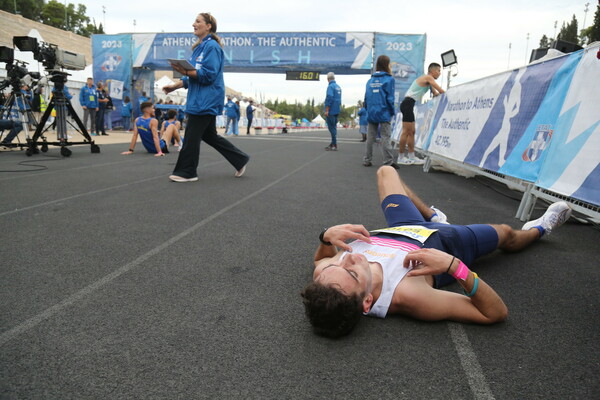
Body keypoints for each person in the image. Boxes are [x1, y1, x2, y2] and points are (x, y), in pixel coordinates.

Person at [301, 165, 572, 338]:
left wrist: (325, 238)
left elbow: (322, 260)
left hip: (401, 226)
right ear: (367, 302)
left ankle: (431, 215)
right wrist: (456, 267)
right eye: (352, 271)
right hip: (447, 241)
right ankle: (540, 229)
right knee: (507, 234)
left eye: (336, 265)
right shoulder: (410, 296)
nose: (347, 256)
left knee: (386, 171)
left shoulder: (326, 276)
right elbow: (495, 313)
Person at [164, 12, 250, 182]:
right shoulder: (199, 48)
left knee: (191, 136)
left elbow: (208, 74)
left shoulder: (212, 47)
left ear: (208, 26)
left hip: (206, 100)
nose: (193, 24)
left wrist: (186, 71)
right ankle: (240, 159)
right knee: (209, 135)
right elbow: (193, 75)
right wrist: (174, 85)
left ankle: (187, 172)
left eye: (198, 21)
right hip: (199, 98)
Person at [398, 63, 445, 165]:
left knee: (412, 131)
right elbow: (441, 91)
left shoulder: (428, 81)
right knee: (406, 131)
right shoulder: (428, 77)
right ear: (432, 71)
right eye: (438, 71)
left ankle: (411, 156)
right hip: (407, 103)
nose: (439, 73)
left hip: (409, 104)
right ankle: (400, 157)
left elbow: (436, 93)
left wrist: (437, 95)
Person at [362, 55, 397, 168]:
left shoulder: (369, 80)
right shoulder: (389, 79)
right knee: (385, 137)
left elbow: (366, 98)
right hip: (384, 112)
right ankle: (388, 161)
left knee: (370, 137)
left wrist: (368, 109)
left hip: (372, 112)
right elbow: (390, 98)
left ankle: (367, 160)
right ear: (387, 65)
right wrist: (392, 112)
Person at [323, 72, 342, 151]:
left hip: (331, 110)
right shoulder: (338, 87)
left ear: (328, 79)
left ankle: (334, 144)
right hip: (337, 109)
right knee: (334, 127)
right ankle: (332, 143)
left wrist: (327, 110)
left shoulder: (330, 87)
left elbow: (329, 98)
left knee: (332, 128)